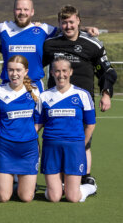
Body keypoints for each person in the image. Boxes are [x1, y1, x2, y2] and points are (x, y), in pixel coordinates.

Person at [43, 5, 117, 185]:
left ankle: (85, 176)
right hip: (56, 102)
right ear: (59, 23)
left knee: (84, 140)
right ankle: (60, 178)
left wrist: (106, 93)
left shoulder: (93, 44)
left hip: (83, 103)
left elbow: (107, 71)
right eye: (64, 22)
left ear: (78, 22)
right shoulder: (50, 44)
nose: (68, 26)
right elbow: (37, 68)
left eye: (71, 22)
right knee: (59, 137)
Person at [36, 57, 97, 202]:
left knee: (73, 198)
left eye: (64, 71)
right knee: (54, 197)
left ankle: (90, 186)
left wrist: (82, 145)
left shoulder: (83, 95)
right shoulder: (44, 96)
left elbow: (90, 124)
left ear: (70, 72)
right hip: (51, 147)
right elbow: (38, 124)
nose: (61, 74)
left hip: (74, 147)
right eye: (57, 71)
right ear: (52, 73)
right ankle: (58, 187)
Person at [0, 55, 40, 202]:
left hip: (28, 149)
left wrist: (29, 134)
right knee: (3, 197)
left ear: (26, 71)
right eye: (10, 70)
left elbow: (39, 119)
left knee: (26, 198)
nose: (14, 74)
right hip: (5, 147)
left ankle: (15, 184)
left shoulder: (35, 91)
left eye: (18, 70)